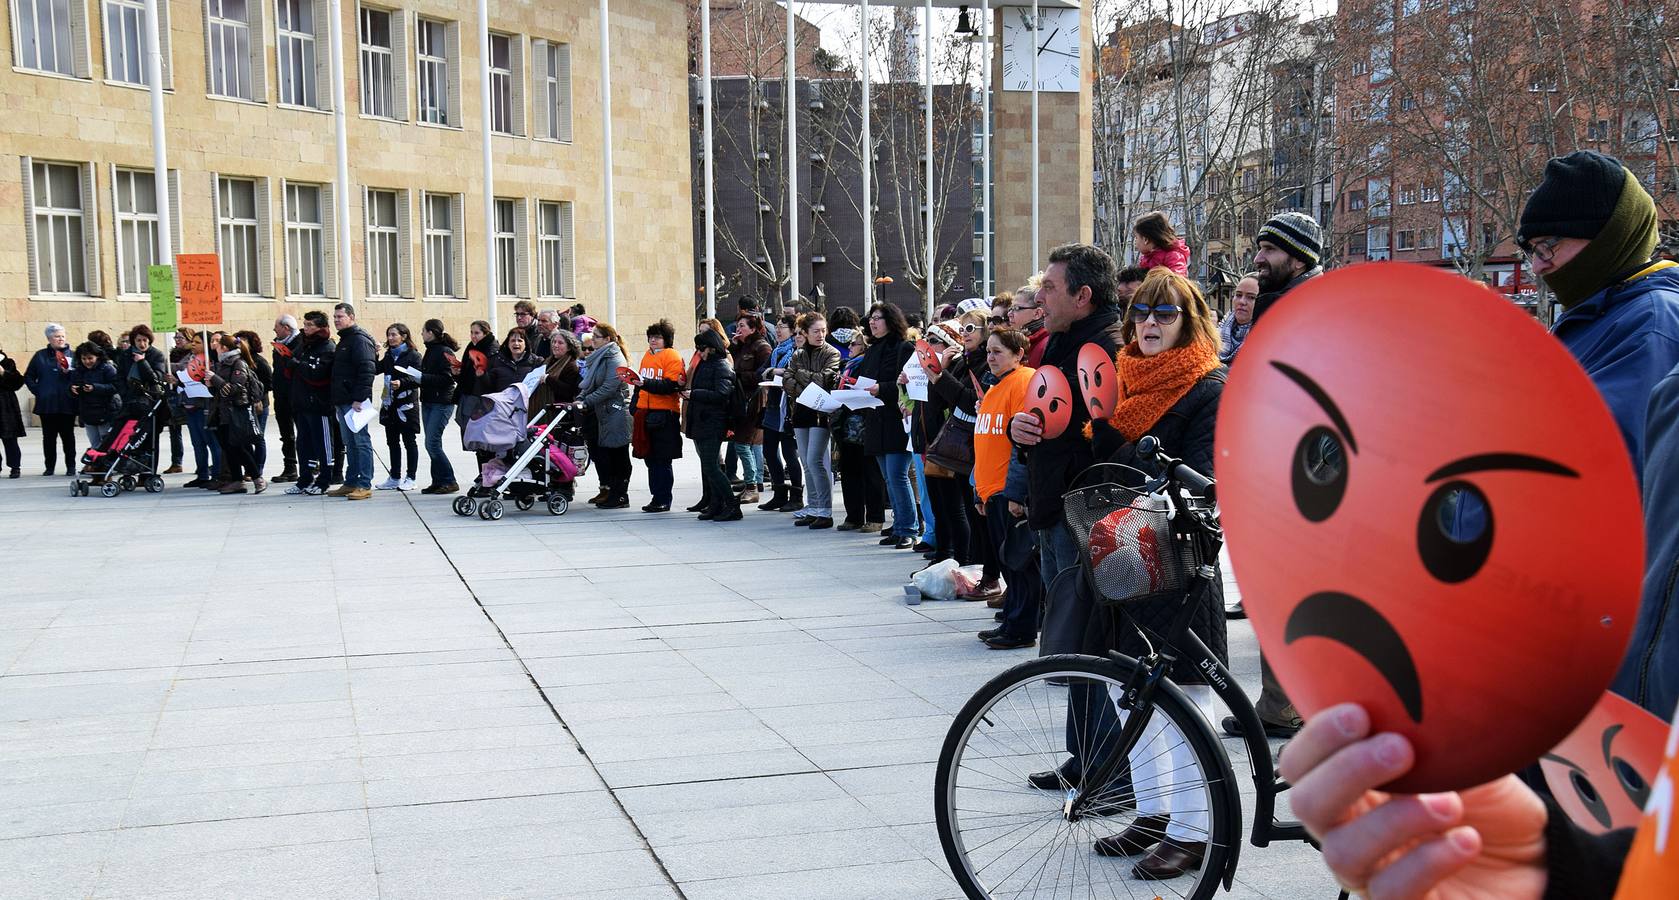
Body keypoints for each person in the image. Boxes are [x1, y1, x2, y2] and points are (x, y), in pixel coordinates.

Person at [1073, 269, 1230, 875]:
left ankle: (1193, 832)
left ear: (1190, 321)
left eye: (1165, 314)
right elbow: (1097, 459)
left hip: (1179, 560)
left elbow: (1202, 478)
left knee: (1185, 697)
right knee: (1126, 687)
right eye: (1141, 312)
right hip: (1121, 556)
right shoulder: (1121, 384)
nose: (1150, 324)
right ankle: (1154, 815)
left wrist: (1139, 486)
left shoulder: (1209, 384)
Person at [1225, 213, 1325, 740]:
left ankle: (1297, 705)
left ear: (1300, 256)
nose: (1259, 257)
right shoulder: (1283, 305)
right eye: (1260, 246)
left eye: (1271, 249)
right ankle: (1281, 704)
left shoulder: (1311, 308)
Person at [1522, 150, 1679, 477]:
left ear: (1606, 240)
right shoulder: (1597, 313)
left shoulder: (1649, 325)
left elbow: (1590, 467)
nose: (1538, 266)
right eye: (1532, 252)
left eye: (1546, 247)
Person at [971, 328, 1039, 649]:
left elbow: (1022, 443)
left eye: (998, 352)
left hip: (1006, 489)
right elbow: (986, 441)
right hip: (991, 491)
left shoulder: (1023, 381)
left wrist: (1016, 491)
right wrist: (979, 491)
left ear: (1018, 354)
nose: (990, 357)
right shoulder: (995, 387)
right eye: (988, 352)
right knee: (1008, 562)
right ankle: (1012, 619)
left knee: (1019, 562)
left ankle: (1021, 627)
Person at [917, 316, 984, 567]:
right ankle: (945, 558)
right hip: (940, 443)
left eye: (970, 329)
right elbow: (933, 405)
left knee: (963, 509)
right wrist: (938, 372)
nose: (965, 334)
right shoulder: (959, 363)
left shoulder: (976, 363)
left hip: (964, 443)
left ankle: (967, 561)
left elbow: (967, 401)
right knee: (941, 507)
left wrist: (940, 374)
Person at [856, 303, 918, 549]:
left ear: (891, 320)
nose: (873, 322)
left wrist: (883, 388)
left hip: (896, 420)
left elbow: (908, 383)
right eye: (871, 318)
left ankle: (909, 528)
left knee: (898, 476)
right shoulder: (871, 350)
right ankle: (899, 524)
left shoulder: (904, 348)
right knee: (888, 478)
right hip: (876, 419)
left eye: (878, 318)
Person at [784, 312, 841, 529]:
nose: (821, 335)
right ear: (805, 333)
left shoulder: (831, 352)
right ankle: (813, 506)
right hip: (801, 410)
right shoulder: (798, 354)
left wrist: (801, 377)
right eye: (816, 331)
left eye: (823, 330)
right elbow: (787, 381)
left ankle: (825, 510)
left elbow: (826, 379)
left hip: (821, 412)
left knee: (816, 459)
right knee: (806, 462)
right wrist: (803, 383)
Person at [685, 327, 741, 522]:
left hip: (713, 422)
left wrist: (695, 394)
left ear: (711, 348)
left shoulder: (722, 366)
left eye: (702, 349)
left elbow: (722, 395)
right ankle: (716, 504)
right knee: (709, 466)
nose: (699, 353)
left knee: (711, 466)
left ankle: (732, 504)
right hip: (702, 420)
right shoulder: (706, 364)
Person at [577, 323, 633, 509]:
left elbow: (609, 387)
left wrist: (587, 401)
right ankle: (613, 493)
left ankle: (620, 495)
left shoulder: (615, 358)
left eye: (596, 337)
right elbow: (591, 383)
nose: (592, 340)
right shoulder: (599, 357)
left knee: (619, 455)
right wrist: (580, 398)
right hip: (604, 412)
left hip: (615, 411)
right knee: (609, 454)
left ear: (607, 339)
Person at [633, 319, 685, 513]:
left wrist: (643, 384)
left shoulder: (672, 356)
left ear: (666, 339)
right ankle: (656, 495)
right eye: (651, 337)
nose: (653, 341)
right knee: (649, 457)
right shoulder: (647, 355)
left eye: (658, 337)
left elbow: (669, 386)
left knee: (662, 459)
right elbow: (639, 384)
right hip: (645, 411)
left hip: (664, 413)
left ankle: (663, 498)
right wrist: (635, 406)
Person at [327, 303, 378, 500]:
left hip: (355, 401)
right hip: (343, 399)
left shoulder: (358, 340)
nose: (336, 320)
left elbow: (367, 370)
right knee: (350, 442)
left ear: (351, 317)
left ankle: (364, 483)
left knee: (361, 441)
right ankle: (351, 482)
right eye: (335, 316)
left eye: (340, 316)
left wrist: (359, 398)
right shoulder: (345, 340)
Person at [204, 334, 264, 494]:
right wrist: (210, 384)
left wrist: (215, 379)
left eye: (218, 343)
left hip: (235, 412)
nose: (214, 345)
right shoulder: (222, 364)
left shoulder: (238, 363)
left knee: (238, 447)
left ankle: (258, 478)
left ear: (224, 347)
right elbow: (218, 391)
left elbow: (234, 388)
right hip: (222, 412)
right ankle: (237, 481)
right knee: (228, 448)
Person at [756, 315, 803, 513]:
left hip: (787, 405)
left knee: (789, 452)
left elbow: (789, 372)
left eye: (782, 326)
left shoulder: (794, 350)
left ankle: (796, 495)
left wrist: (775, 372)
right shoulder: (776, 350)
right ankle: (778, 493)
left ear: (792, 330)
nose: (778, 329)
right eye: (777, 326)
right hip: (773, 404)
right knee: (769, 450)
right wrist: (772, 371)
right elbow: (763, 370)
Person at [286, 311, 337, 495]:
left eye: (310, 325)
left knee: (323, 444)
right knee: (304, 443)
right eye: (305, 324)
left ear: (320, 328)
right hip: (301, 402)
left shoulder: (327, 347)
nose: (306, 328)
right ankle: (305, 478)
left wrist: (297, 363)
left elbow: (318, 373)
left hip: (319, 403)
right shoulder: (303, 344)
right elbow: (295, 363)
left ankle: (325, 479)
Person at [1249, 211, 1325, 324]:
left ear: (1300, 260)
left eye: (1269, 249)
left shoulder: (1317, 315)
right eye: (1260, 248)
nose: (1257, 259)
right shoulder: (1273, 302)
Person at [728, 313, 773, 504]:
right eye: (737, 326)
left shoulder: (761, 347)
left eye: (742, 326)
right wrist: (734, 346)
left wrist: (739, 376)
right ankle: (750, 484)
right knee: (741, 442)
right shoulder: (742, 346)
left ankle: (753, 485)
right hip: (740, 399)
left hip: (754, 400)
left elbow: (763, 375)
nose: (738, 330)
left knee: (743, 443)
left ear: (753, 328)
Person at [23, 323, 76, 476]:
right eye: (57, 336)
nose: (60, 339)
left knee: (68, 437)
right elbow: (29, 376)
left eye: (62, 336)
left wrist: (70, 375)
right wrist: (38, 391)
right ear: (49, 338)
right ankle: (50, 466)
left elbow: (80, 375)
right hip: (47, 404)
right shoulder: (40, 356)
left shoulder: (72, 355)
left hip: (67, 403)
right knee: (48, 437)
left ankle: (71, 466)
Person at [375, 324, 422, 491]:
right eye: (389, 335)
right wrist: (374, 354)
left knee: (409, 441)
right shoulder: (389, 355)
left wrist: (402, 382)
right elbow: (375, 369)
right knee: (392, 442)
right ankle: (394, 476)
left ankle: (411, 477)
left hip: (407, 405)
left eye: (394, 335)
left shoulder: (413, 355)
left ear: (404, 336)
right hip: (390, 404)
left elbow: (418, 378)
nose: (391, 338)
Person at [416, 319, 461, 495]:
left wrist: (423, 378)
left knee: (432, 443)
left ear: (431, 332)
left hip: (441, 402)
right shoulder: (430, 350)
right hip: (428, 401)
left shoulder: (444, 351)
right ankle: (438, 480)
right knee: (433, 442)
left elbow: (448, 378)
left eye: (423, 330)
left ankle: (449, 480)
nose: (421, 334)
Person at [68, 340, 120, 454]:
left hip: (106, 410)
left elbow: (116, 387)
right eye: (84, 359)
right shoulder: (78, 371)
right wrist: (72, 389)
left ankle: (107, 464)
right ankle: (97, 464)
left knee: (106, 441)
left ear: (97, 356)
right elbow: (71, 387)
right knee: (94, 442)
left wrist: (95, 388)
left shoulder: (107, 368)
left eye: (90, 358)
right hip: (87, 411)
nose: (87, 361)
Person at [234, 331, 272, 478]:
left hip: (259, 404)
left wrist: (258, 398)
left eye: (243, 341)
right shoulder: (239, 361)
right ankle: (251, 468)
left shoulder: (259, 362)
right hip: (245, 404)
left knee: (258, 437)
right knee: (245, 438)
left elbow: (268, 383)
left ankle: (258, 469)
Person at [269, 316, 301, 482]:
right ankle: (290, 467)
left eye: (277, 326)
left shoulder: (300, 343)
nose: (274, 330)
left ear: (286, 328)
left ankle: (312, 464)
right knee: (286, 434)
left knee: (303, 432)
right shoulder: (278, 345)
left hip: (296, 394)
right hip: (281, 395)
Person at [456, 320, 496, 431]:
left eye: (477, 333)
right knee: (469, 434)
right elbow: (466, 374)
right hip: (468, 395)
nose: (473, 336)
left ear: (486, 333)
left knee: (479, 435)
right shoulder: (471, 347)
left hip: (481, 399)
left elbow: (492, 378)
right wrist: (456, 373)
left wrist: (482, 374)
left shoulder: (492, 350)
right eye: (471, 332)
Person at [1219, 272, 1260, 364]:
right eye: (1238, 295)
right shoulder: (1213, 337)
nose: (1242, 301)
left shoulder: (1266, 341)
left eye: (1251, 297)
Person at [1006, 281, 1050, 366]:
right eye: (1010, 308)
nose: (1009, 314)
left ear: (1037, 313)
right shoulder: (1022, 342)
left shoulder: (1045, 346)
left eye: (1016, 308)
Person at [1134, 211, 1191, 276]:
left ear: (1146, 240)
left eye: (1137, 238)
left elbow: (1177, 280)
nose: (1136, 242)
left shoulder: (1173, 256)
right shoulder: (1146, 259)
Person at [0, 345, 23, 478]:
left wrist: (4, 373)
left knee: (10, 439)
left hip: (5, 406)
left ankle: (15, 467)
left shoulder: (7, 362)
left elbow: (18, 383)